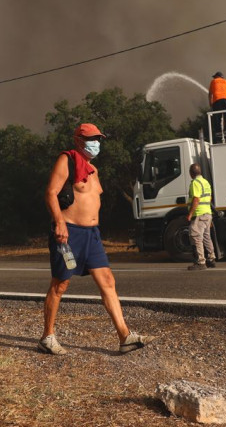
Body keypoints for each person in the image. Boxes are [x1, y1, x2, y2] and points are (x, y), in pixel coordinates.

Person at [40, 123, 156, 355]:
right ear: (78, 140)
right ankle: (47, 337)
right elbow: (51, 192)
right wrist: (59, 223)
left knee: (107, 281)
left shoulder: (93, 170)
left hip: (92, 235)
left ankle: (125, 336)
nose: (96, 143)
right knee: (60, 284)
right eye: (92, 138)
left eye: (99, 138)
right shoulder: (67, 160)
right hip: (69, 233)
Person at [186, 163, 216, 270]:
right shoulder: (206, 182)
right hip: (207, 213)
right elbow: (209, 197)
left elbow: (196, 199)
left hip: (199, 214)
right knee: (207, 237)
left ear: (191, 173)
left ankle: (200, 262)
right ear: (200, 172)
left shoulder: (195, 183)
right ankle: (211, 259)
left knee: (196, 237)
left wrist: (190, 214)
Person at [208, 71, 226, 141]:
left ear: (216, 77)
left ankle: (218, 137)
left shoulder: (213, 81)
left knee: (217, 118)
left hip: (217, 101)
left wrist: (211, 104)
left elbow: (210, 94)